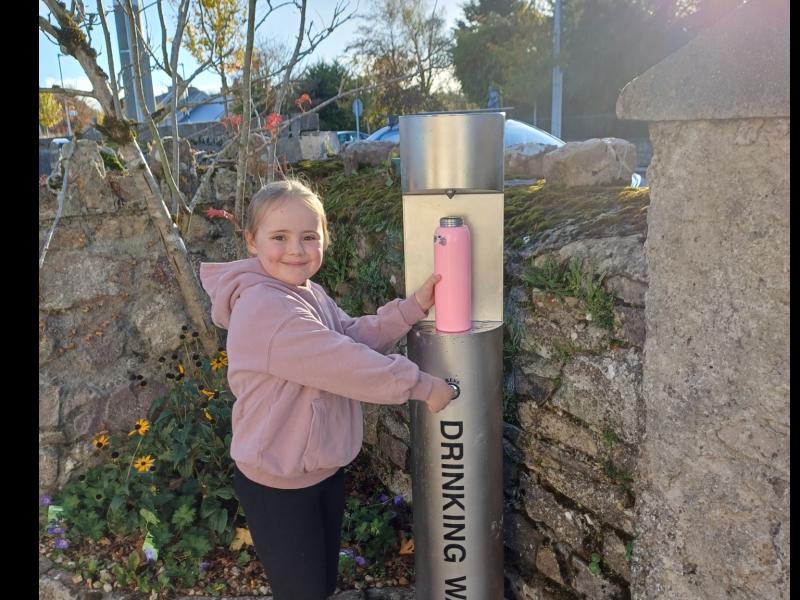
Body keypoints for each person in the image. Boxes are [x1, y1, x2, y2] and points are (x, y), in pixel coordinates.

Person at [199, 178, 455, 600]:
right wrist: (421, 385)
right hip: (278, 482)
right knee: (303, 592)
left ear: (324, 239)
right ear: (251, 240)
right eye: (279, 237)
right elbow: (345, 363)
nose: (296, 250)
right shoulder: (265, 308)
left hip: (317, 469)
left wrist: (411, 309)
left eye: (309, 237)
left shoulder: (304, 291)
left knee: (319, 585)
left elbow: (348, 337)